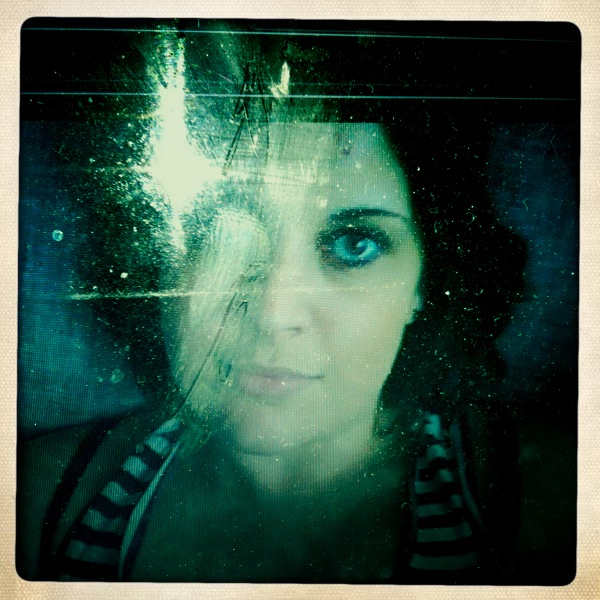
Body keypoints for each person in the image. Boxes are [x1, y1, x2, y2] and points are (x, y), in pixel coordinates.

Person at [17, 21, 573, 584]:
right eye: (217, 229)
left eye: (354, 244)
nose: (272, 313)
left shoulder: (559, 501)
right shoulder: (32, 503)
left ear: (426, 282)